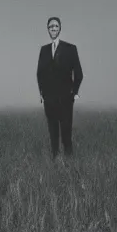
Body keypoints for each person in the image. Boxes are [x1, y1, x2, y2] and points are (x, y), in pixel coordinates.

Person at [35, 17, 84, 159]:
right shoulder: (44, 50)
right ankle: (55, 161)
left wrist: (74, 93)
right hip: (49, 99)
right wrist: (42, 93)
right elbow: (40, 73)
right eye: (51, 27)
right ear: (48, 29)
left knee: (66, 133)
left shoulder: (70, 48)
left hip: (66, 98)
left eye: (56, 26)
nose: (53, 29)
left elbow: (79, 73)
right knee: (53, 132)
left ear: (60, 28)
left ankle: (69, 162)